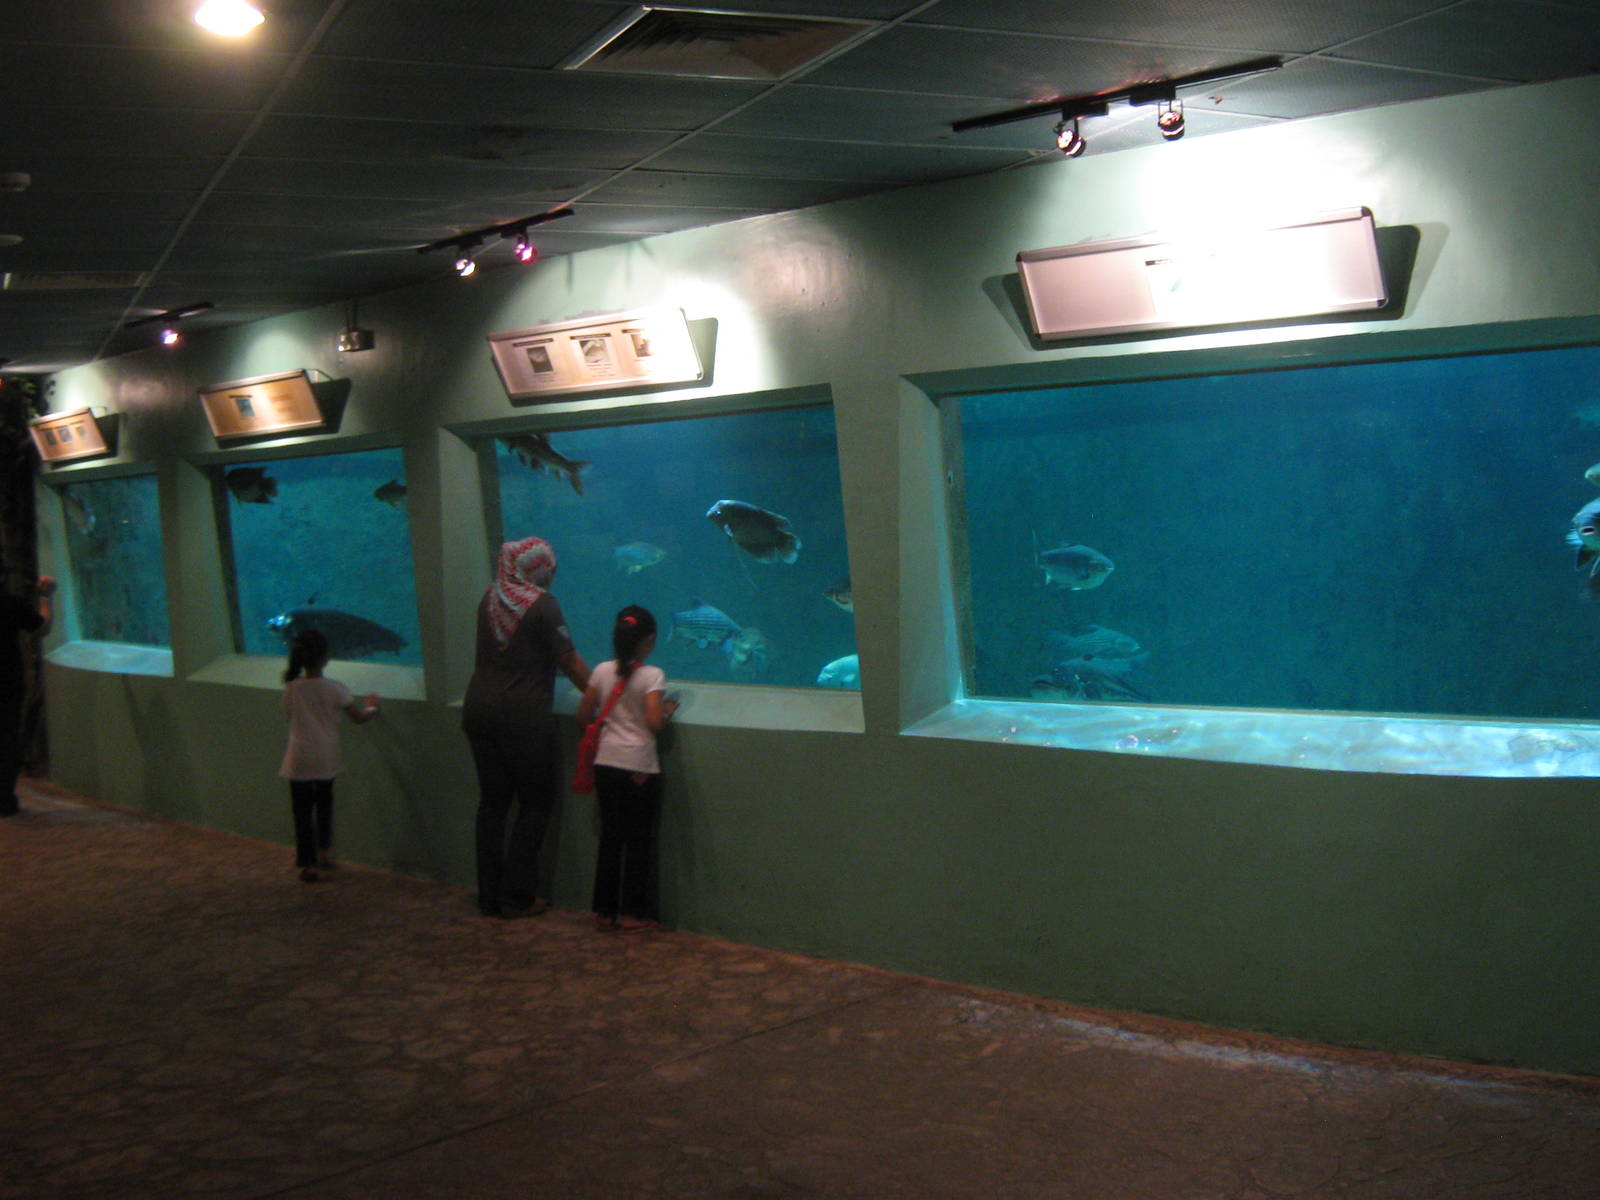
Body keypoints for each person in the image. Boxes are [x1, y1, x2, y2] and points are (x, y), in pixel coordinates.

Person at [463, 537, 589, 918]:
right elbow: (569, 661)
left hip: (478, 712)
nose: (552, 575)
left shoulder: (488, 600)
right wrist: (605, 695)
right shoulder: (543, 606)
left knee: (493, 804)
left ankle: (488, 895)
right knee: (535, 803)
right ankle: (517, 895)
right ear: (537, 569)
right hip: (523, 718)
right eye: (549, 569)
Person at [576, 605, 678, 933]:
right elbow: (652, 722)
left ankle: (604, 911)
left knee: (610, 836)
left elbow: (583, 714)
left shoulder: (602, 670)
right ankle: (634, 912)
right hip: (639, 766)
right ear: (649, 641)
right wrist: (665, 711)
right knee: (638, 840)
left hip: (605, 763)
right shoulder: (653, 676)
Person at [279, 628, 379, 882]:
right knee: (324, 806)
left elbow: (291, 714)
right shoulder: (335, 688)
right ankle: (325, 853)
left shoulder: (292, 688)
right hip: (325, 758)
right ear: (325, 657)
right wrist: (372, 707)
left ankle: (308, 865)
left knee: (301, 813)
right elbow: (357, 718)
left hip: (298, 758)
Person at [1, 575, 55, 818]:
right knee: (7, 739)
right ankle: (3, 799)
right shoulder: (9, 603)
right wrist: (45, 597)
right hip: (7, 683)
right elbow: (42, 627)